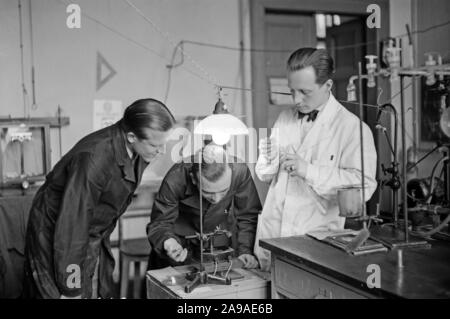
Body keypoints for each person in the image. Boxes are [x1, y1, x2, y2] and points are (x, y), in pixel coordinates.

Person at [23, 98, 176, 299]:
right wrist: (70, 288)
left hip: (90, 232)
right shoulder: (93, 159)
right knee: (65, 294)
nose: (161, 151)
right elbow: (73, 223)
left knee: (95, 289)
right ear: (131, 136)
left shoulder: (137, 148)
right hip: (57, 233)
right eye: (156, 145)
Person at [254, 48, 378, 270]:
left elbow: (363, 187)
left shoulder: (353, 129)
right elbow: (264, 176)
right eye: (292, 91)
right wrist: (268, 159)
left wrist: (309, 171)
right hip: (274, 235)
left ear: (328, 86)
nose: (296, 99)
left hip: (315, 242)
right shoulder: (284, 118)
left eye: (304, 91)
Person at [147, 143, 261, 270]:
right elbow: (160, 223)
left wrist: (245, 250)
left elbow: (248, 216)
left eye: (224, 191)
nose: (216, 199)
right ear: (193, 179)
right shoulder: (176, 177)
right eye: (207, 192)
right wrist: (168, 241)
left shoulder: (240, 171)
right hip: (179, 250)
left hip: (218, 249)